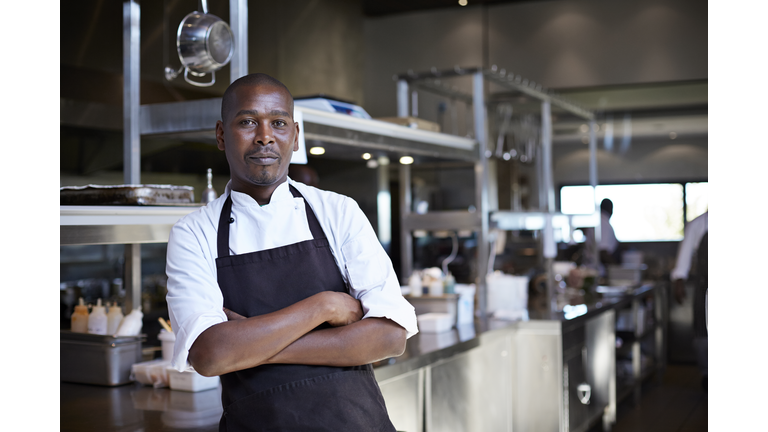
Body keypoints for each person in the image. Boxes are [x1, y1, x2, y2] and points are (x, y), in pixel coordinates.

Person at [165, 73, 418, 431]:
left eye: (279, 123)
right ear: (222, 135)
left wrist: (249, 346)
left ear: (295, 136)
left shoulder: (337, 211)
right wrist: (324, 306)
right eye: (248, 121)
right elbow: (211, 354)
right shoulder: (194, 233)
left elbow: (391, 336)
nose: (265, 136)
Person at [670, 211, 708, 389]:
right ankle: (708, 374)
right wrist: (679, 282)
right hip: (706, 290)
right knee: (703, 335)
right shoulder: (699, 224)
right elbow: (683, 259)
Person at [598, 198, 620, 265]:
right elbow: (602, 252)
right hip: (600, 270)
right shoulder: (603, 224)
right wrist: (616, 267)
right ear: (610, 209)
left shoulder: (599, 221)